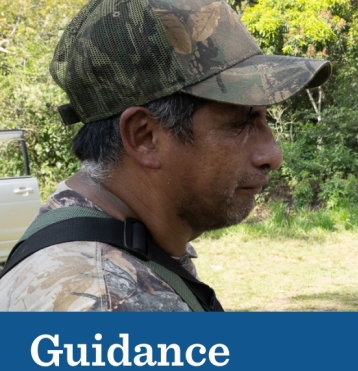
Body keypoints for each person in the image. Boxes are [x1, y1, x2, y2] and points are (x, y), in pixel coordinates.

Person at [0, 0, 330, 311]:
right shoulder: (115, 306)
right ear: (144, 137)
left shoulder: (78, 228)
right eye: (240, 122)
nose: (272, 154)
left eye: (264, 118)